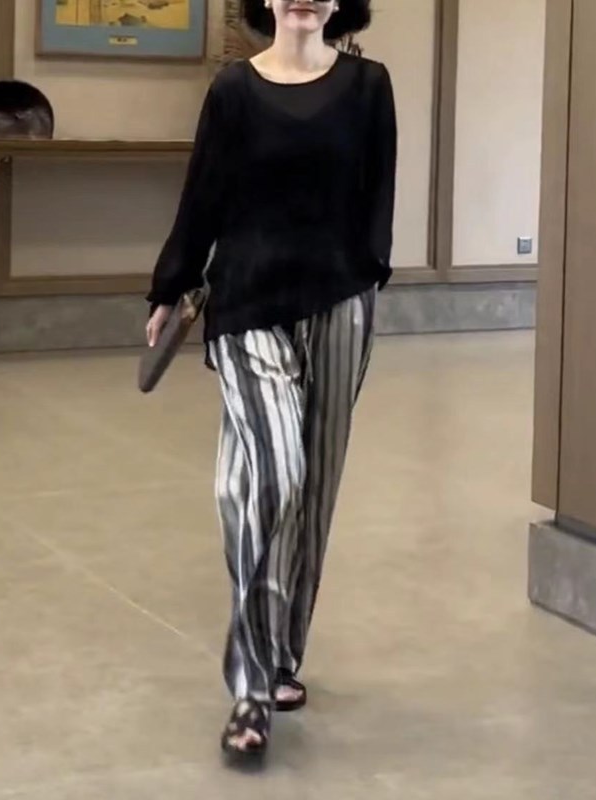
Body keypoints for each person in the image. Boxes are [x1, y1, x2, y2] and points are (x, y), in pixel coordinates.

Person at [146, 0, 396, 762]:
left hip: (340, 305)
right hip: (248, 302)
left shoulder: (370, 88)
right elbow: (202, 196)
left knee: (313, 492)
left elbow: (377, 196)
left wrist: (366, 277)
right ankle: (250, 687)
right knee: (271, 477)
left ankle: (283, 655)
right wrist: (171, 285)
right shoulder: (233, 90)